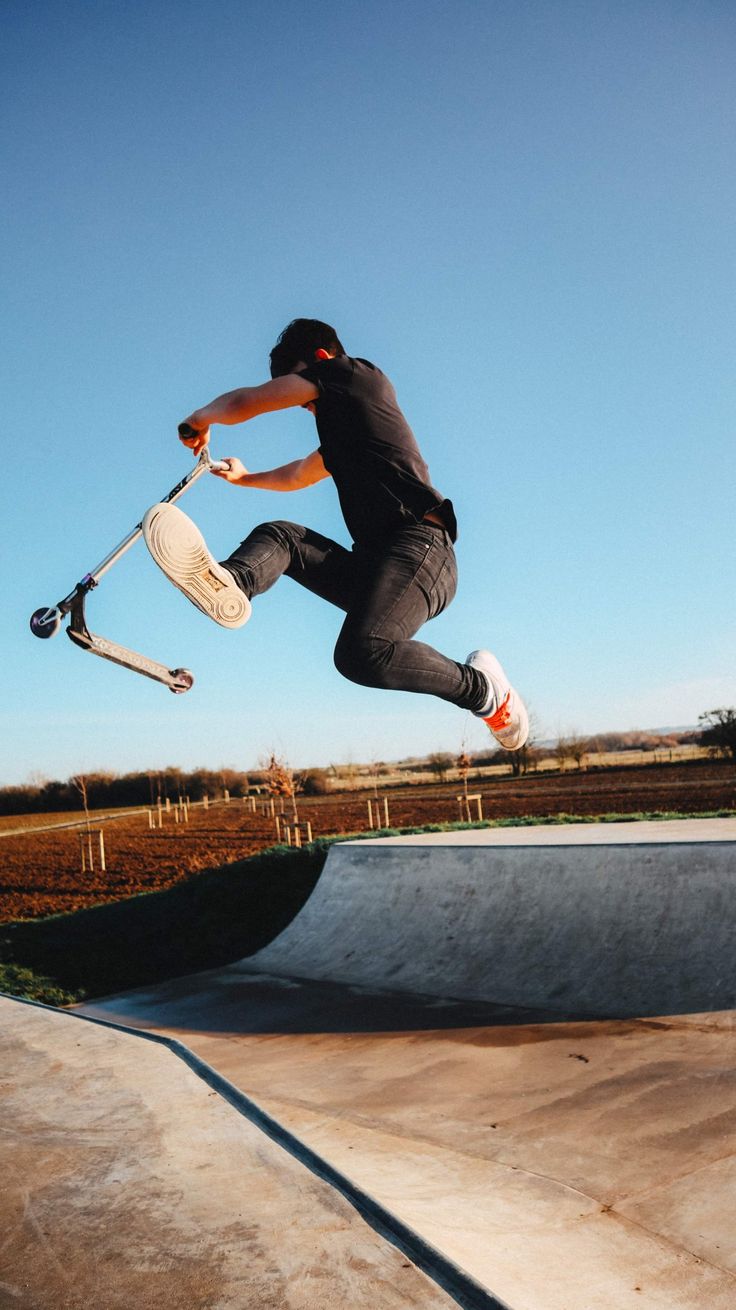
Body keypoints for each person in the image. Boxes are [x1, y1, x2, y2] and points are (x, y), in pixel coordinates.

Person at [142, 318, 528, 749]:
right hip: (378, 565)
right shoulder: (349, 433)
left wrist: (202, 417)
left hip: (422, 549)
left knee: (362, 652)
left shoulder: (357, 376)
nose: (305, 408)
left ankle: (483, 691)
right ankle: (230, 584)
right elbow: (297, 476)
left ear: (321, 361)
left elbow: (251, 400)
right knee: (282, 536)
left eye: (301, 395)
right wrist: (244, 478)